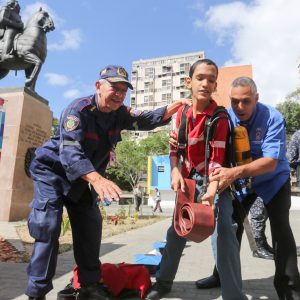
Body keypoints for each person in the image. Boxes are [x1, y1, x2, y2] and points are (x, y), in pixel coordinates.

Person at [25, 64, 189, 300]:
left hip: (82, 179)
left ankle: (89, 286)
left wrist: (174, 107)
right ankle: (36, 293)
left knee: (91, 224)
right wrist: (97, 179)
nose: (119, 95)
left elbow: (145, 119)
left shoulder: (119, 113)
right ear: (98, 86)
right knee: (48, 226)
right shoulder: (77, 110)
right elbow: (70, 153)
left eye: (124, 91)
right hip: (52, 172)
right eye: (114, 88)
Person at [145, 59, 247, 300]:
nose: (205, 83)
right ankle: (163, 282)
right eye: (200, 78)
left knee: (223, 231)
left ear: (215, 86)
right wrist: (175, 170)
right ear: (188, 82)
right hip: (188, 181)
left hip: (216, 180)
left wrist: (211, 191)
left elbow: (218, 160)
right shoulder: (181, 114)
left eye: (211, 80)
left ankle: (234, 294)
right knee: (177, 231)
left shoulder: (220, 118)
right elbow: (174, 150)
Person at [196, 77, 300, 299]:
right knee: (229, 228)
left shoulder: (273, 117)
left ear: (256, 99)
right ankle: (222, 275)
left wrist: (233, 173)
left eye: (246, 101)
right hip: (242, 183)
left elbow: (271, 162)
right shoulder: (225, 118)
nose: (240, 107)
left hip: (273, 180)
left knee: (281, 229)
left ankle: (289, 287)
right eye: (235, 101)